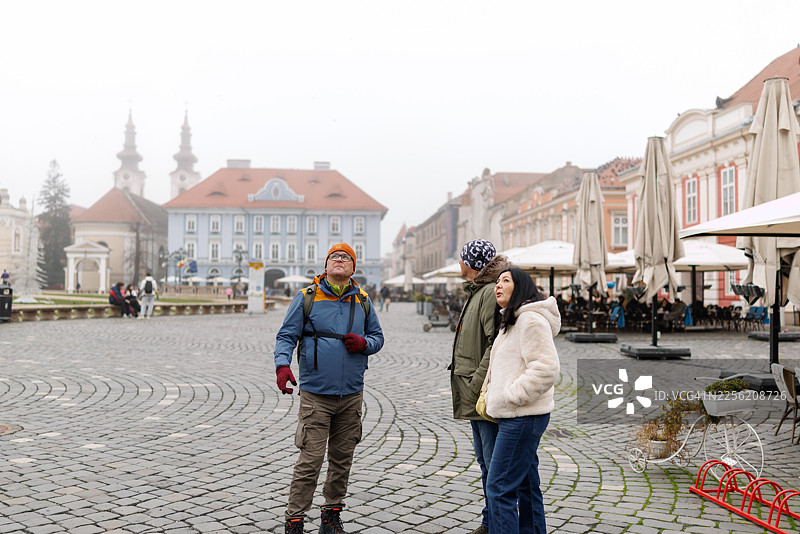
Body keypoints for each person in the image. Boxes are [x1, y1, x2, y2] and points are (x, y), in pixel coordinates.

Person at [274, 243, 385, 534]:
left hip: (351, 394)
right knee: (310, 461)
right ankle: (294, 521)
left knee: (341, 460)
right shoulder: (306, 298)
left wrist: (365, 344)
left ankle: (331, 517)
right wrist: (282, 366)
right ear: (325, 266)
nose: (339, 260)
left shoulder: (362, 300)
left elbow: (377, 337)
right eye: (334, 256)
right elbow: (286, 335)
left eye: (346, 257)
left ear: (353, 268)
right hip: (316, 395)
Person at [480, 268, 560, 534]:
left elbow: (546, 368)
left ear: (521, 287)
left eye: (506, 280)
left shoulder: (530, 322)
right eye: (498, 281)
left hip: (523, 416)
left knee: (499, 488)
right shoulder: (512, 321)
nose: (498, 285)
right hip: (516, 416)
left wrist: (511, 396)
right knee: (526, 485)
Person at [449, 239, 511, 534]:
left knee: (492, 465)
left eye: (461, 258)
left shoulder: (486, 293)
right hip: (473, 390)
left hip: (480, 391)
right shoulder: (479, 291)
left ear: (471, 263)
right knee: (486, 462)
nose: (458, 263)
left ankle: (494, 523)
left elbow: (493, 343)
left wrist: (476, 383)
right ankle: (490, 520)